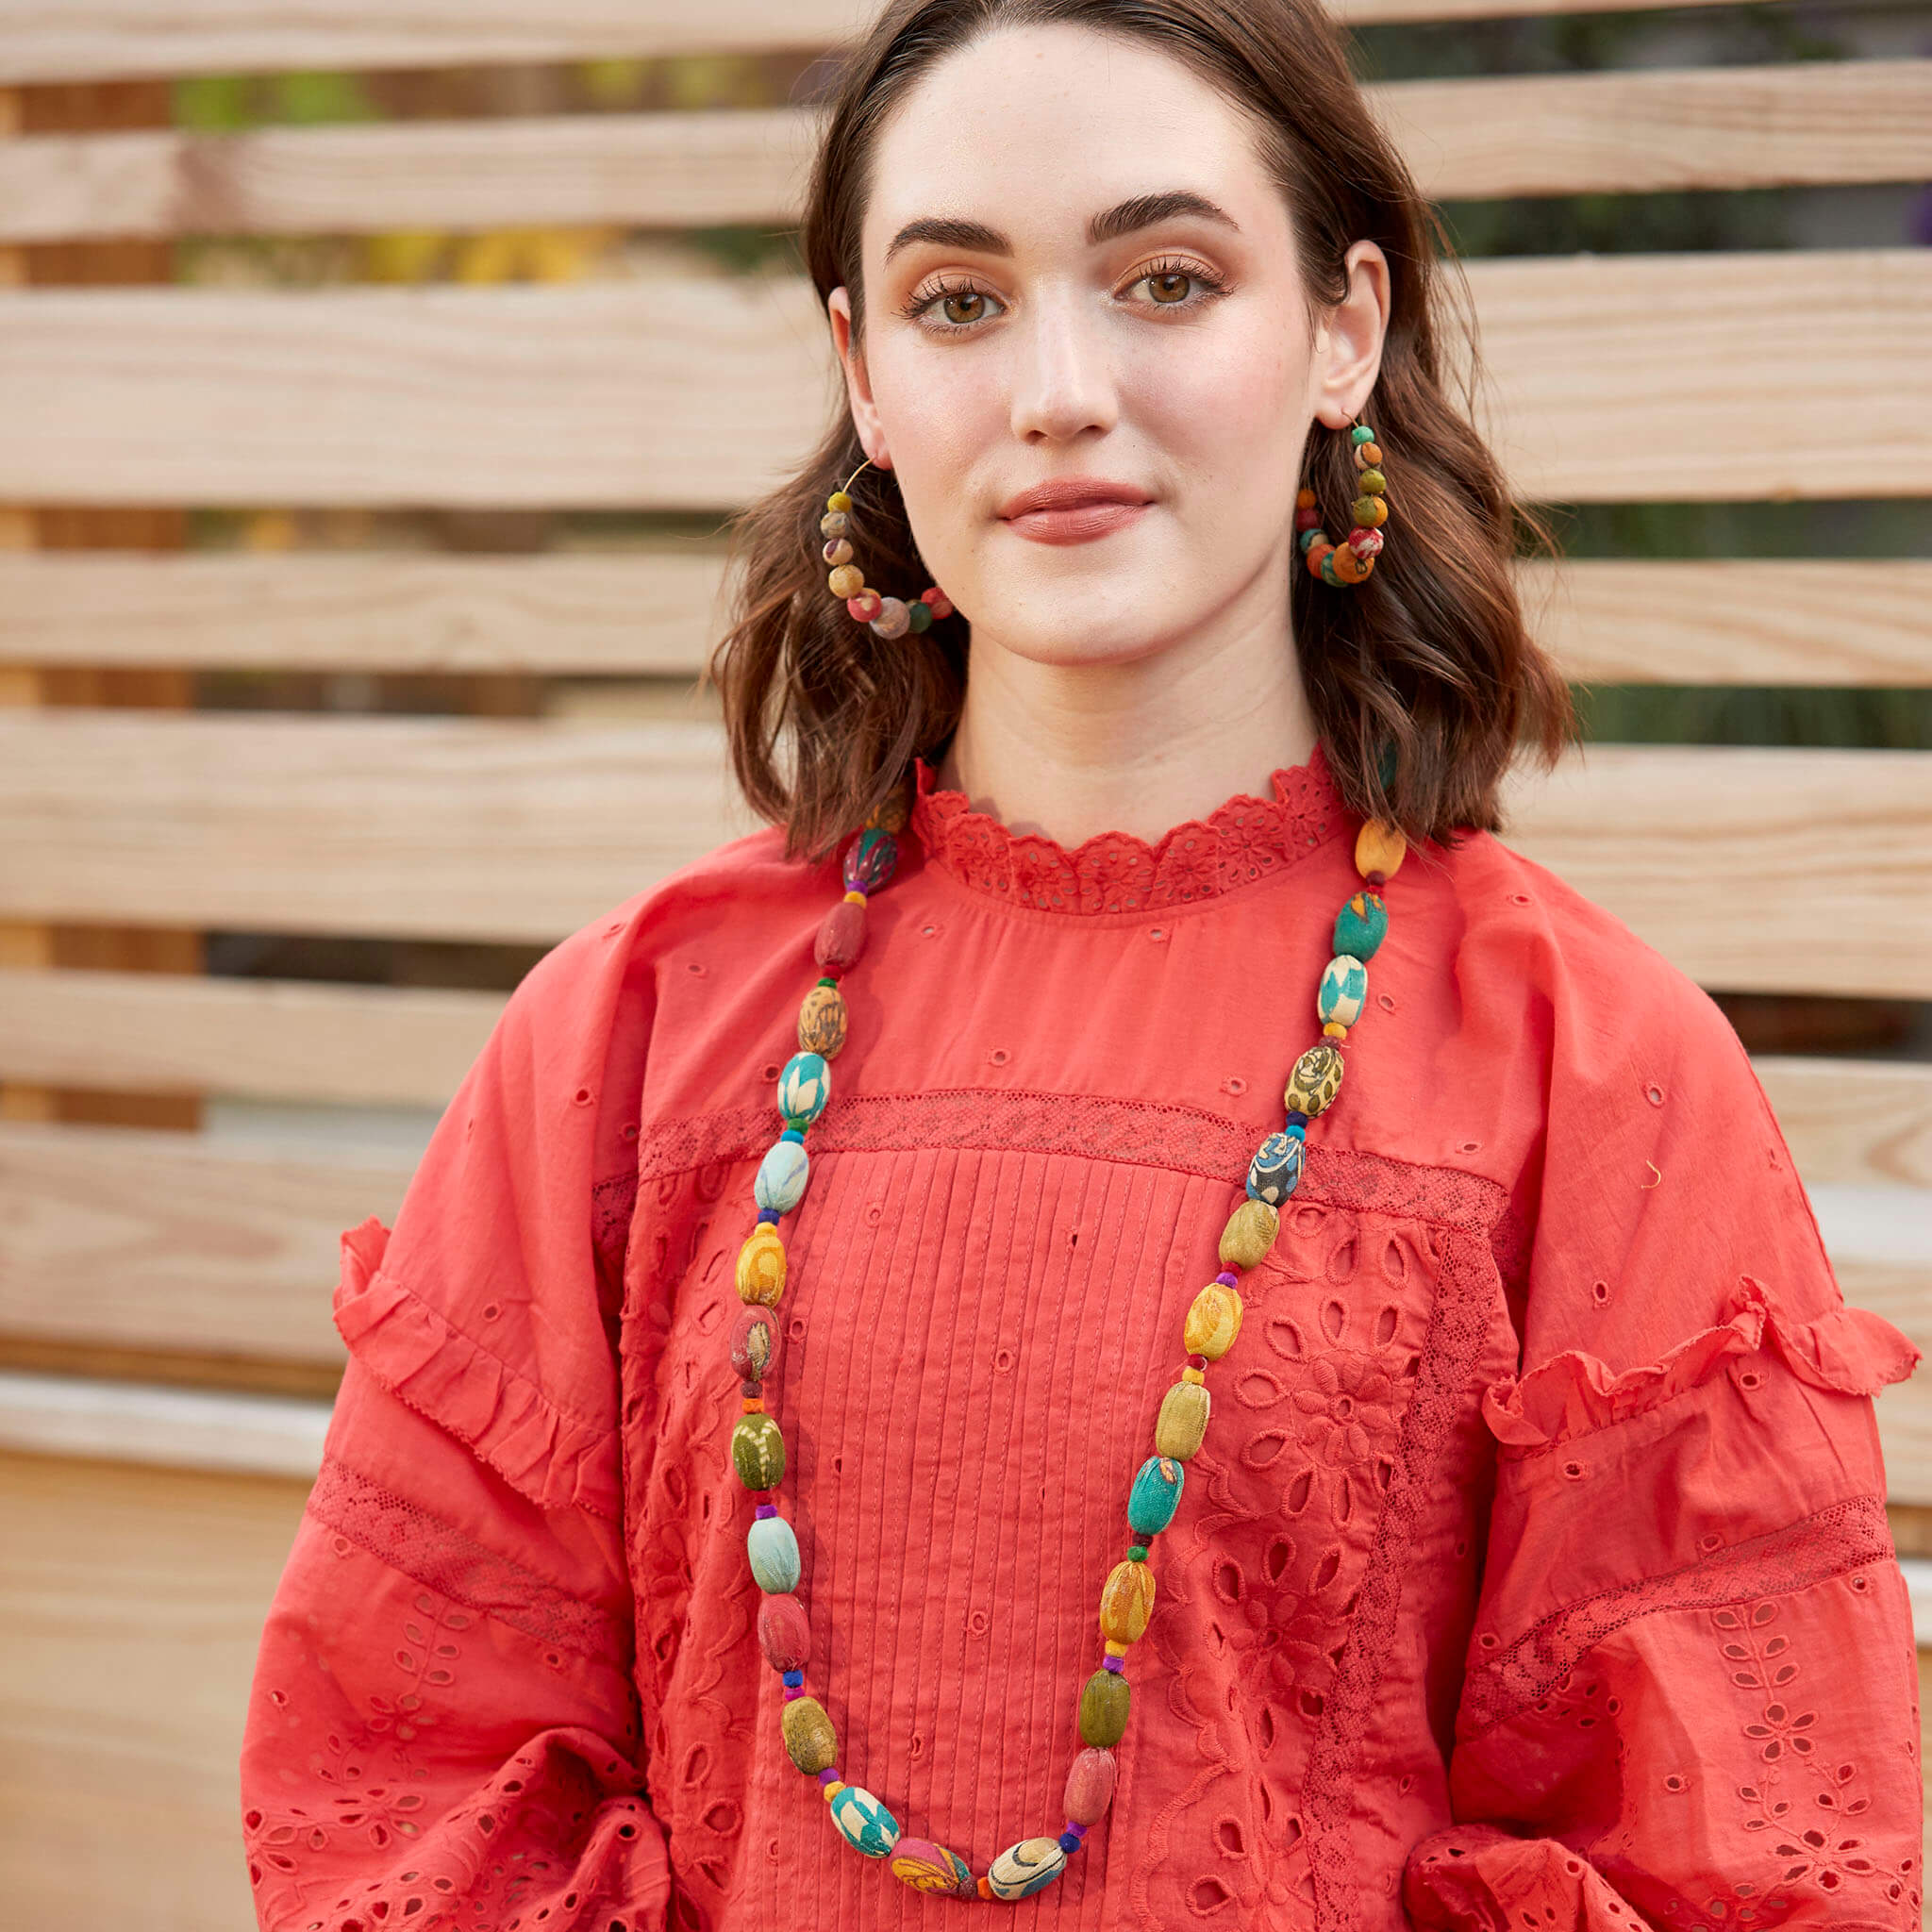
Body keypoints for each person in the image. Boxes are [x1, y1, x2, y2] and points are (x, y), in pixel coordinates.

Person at [238, 0, 1924, 1925]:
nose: (1057, 388)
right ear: (862, 375)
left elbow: (1738, 1864)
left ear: (1341, 327)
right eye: (959, 301)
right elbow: (408, 1786)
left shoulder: (1587, 1065)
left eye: (1167, 278)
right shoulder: (623, 1036)